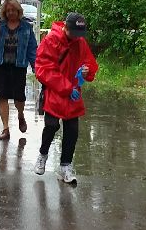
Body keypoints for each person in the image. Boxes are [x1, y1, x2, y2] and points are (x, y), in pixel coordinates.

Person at [33, 12, 98, 183]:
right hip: (56, 92)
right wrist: (67, 87)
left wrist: (87, 71)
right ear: (65, 28)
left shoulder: (80, 42)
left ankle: (66, 166)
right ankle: (43, 154)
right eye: (74, 33)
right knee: (51, 126)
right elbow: (43, 69)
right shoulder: (51, 40)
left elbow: (90, 63)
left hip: (73, 95)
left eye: (80, 34)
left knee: (72, 131)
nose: (77, 38)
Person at [0, 0, 38, 141]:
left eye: (13, 10)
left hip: (19, 66)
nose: (11, 13)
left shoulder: (27, 27)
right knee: (2, 96)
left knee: (19, 97)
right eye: (8, 11)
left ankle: (20, 115)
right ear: (4, 12)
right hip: (1, 65)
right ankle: (5, 128)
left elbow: (32, 49)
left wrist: (36, 67)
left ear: (18, 11)